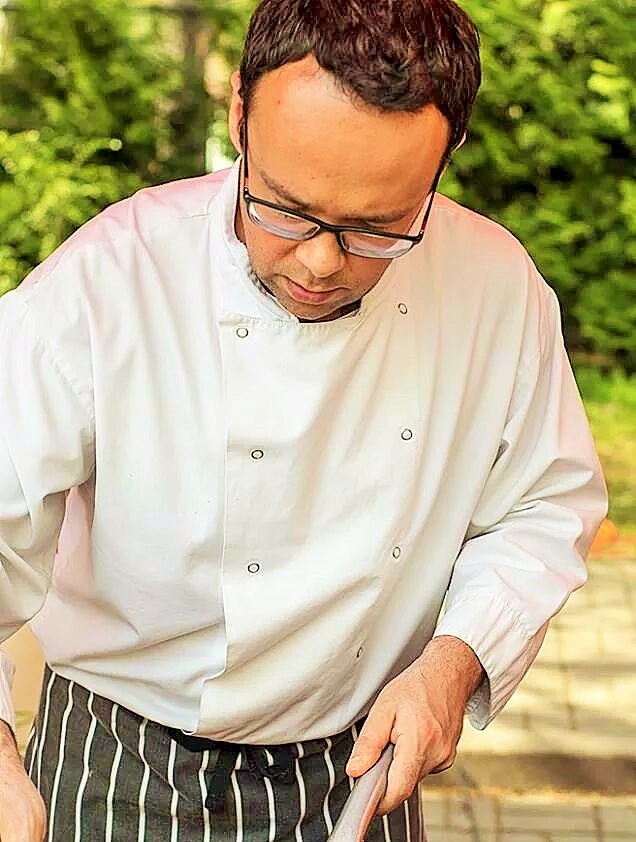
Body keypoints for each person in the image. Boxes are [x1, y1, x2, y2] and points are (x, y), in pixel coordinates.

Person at [0, 1, 607, 840]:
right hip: (121, 756)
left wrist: (454, 660)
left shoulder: (495, 288)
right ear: (238, 114)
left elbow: (542, 506)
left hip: (359, 761)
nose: (321, 262)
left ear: (445, 157)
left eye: (377, 228)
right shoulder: (108, 283)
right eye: (286, 210)